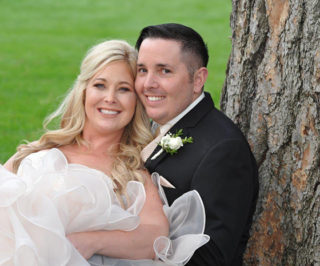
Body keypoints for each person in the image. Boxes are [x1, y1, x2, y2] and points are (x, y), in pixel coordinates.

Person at [0, 39, 208, 266]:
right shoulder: (41, 150)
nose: (109, 98)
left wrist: (91, 241)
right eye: (99, 85)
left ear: (136, 102)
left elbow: (155, 236)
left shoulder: (130, 168)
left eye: (123, 89)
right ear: (83, 91)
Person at [70, 24, 259, 265]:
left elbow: (211, 257)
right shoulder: (146, 126)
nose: (148, 83)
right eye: (142, 70)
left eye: (164, 71)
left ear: (198, 79)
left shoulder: (222, 150)